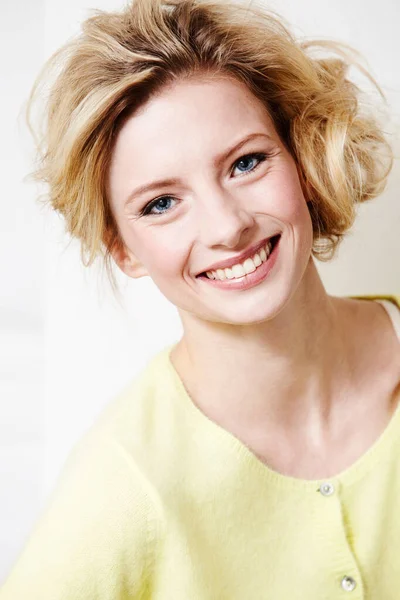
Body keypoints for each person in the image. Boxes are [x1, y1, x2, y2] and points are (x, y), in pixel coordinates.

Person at [1, 0, 399, 597]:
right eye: (161, 203)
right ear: (123, 248)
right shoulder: (123, 481)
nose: (226, 225)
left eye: (246, 162)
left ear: (303, 160)